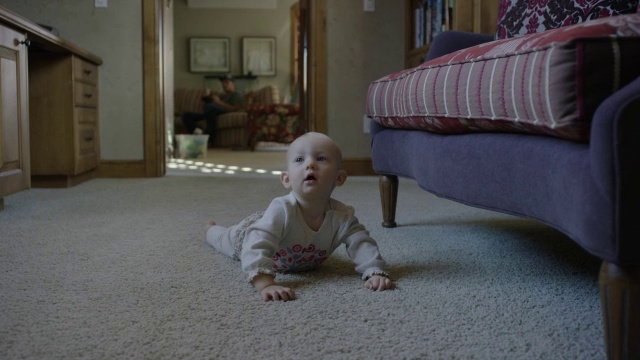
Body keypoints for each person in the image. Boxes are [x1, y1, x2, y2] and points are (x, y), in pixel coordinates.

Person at [206, 132, 396, 301]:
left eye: (321, 158)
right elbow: (257, 244)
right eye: (299, 160)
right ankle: (211, 229)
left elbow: (362, 243)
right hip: (246, 236)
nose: (310, 164)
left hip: (292, 256)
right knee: (222, 239)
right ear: (286, 179)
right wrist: (266, 284)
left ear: (339, 178)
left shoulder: (342, 217)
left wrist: (373, 272)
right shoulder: (282, 209)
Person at [181, 75, 244, 146]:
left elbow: (234, 109)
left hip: (224, 112)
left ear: (233, 83)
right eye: (223, 83)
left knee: (210, 107)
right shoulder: (223, 96)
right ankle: (199, 133)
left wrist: (218, 102)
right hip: (211, 113)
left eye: (226, 82)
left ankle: (209, 138)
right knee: (186, 115)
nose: (224, 85)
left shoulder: (236, 94)